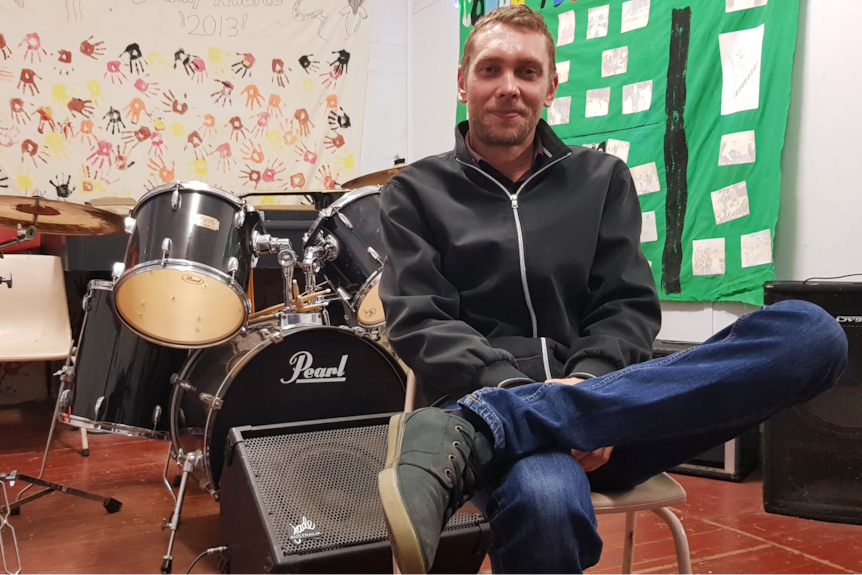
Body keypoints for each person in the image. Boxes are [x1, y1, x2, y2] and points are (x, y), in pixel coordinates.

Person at [376, 5, 848, 575]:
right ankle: (513, 418)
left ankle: (510, 420)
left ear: (551, 85)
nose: (509, 88)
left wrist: (592, 394)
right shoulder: (415, 191)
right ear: (462, 81)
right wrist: (524, 393)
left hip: (609, 412)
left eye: (527, 72)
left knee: (814, 334)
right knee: (546, 498)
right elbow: (421, 321)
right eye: (490, 70)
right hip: (486, 405)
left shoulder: (601, 179)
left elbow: (625, 306)